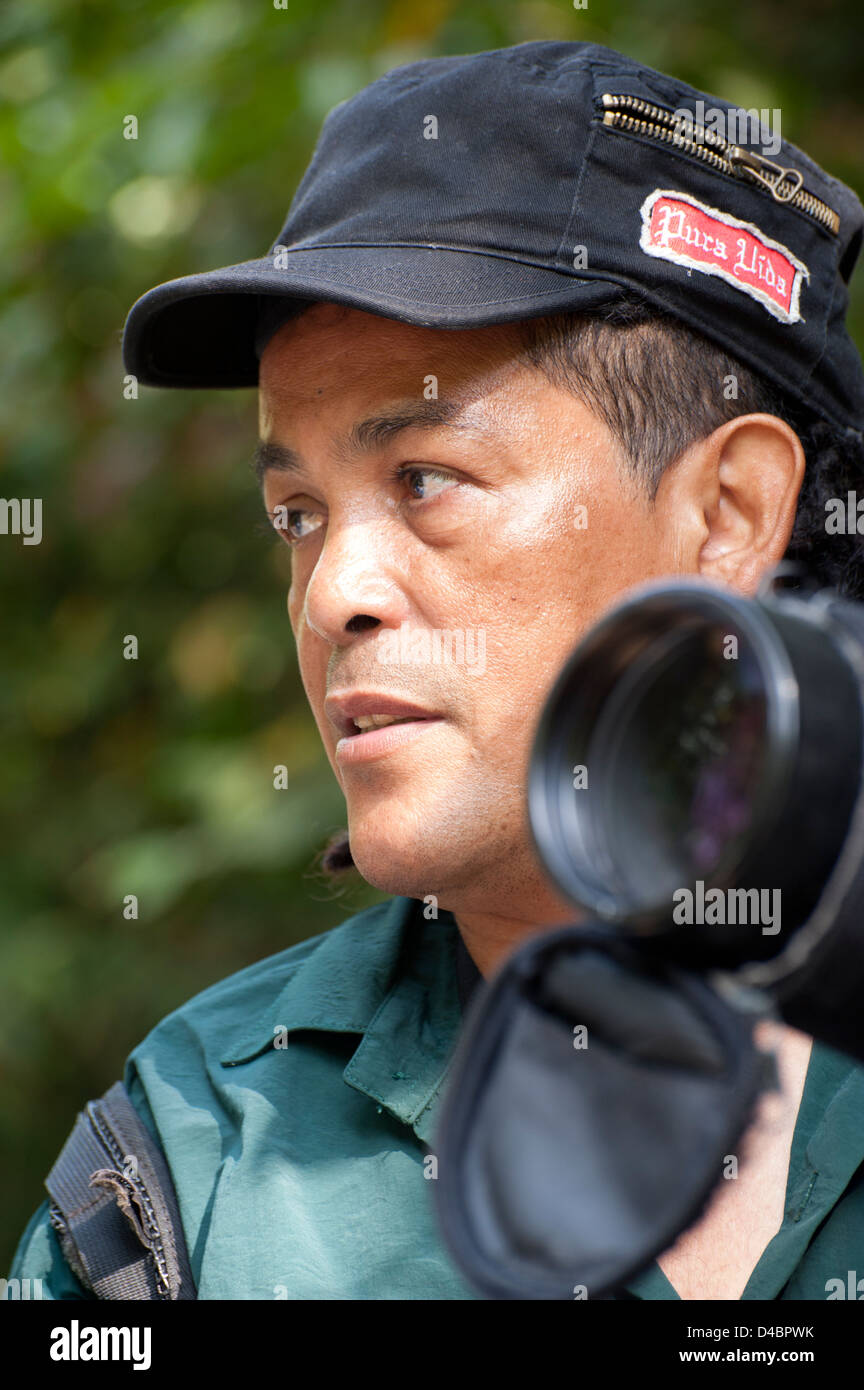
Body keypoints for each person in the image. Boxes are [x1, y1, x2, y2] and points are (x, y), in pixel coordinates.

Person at [9, 39, 864, 1301]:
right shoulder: (184, 1169)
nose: (332, 595)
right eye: (297, 513)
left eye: (426, 481)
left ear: (728, 514)